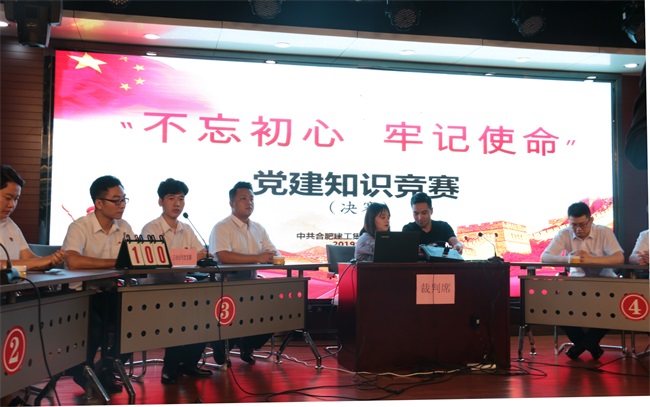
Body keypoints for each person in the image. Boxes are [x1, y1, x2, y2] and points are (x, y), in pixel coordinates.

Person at [61, 175, 135, 393]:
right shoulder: (79, 226)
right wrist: (115, 263)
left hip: (109, 291)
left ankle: (107, 367)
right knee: (95, 327)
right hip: (80, 295)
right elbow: (73, 261)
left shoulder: (124, 227)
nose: (122, 205)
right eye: (116, 200)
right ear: (99, 203)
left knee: (137, 321)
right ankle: (82, 371)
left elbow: (133, 259)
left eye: (124, 199)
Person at [140, 178, 212, 384]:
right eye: (171, 198)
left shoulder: (187, 229)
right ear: (160, 201)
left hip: (179, 290)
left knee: (205, 314)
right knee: (178, 317)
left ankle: (188, 364)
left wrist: (178, 257)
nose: (177, 204)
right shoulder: (150, 229)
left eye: (181, 199)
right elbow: (157, 259)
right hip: (153, 293)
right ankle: (170, 368)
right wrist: (188, 256)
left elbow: (203, 253)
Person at [540, 201, 624, 360]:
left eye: (582, 225)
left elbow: (619, 258)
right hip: (577, 284)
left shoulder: (603, 232)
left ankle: (580, 347)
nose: (578, 229)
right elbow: (545, 257)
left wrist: (591, 260)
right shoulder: (565, 233)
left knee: (612, 310)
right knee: (556, 308)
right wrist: (568, 259)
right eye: (574, 225)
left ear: (591, 220)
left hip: (605, 283)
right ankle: (590, 345)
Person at [208, 181, 278, 365]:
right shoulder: (222, 227)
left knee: (276, 310)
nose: (249, 202)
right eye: (243, 199)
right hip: (226, 286)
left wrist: (270, 255)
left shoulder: (258, 228)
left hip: (252, 285)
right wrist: (257, 257)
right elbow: (223, 256)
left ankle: (247, 345)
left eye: (252, 199)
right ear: (231, 203)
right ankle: (222, 348)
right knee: (234, 313)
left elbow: (273, 251)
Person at [0, 165, 64, 271]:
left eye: (16, 199)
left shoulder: (10, 225)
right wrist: (38, 262)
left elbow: (29, 258)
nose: (12, 205)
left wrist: (51, 261)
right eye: (8, 198)